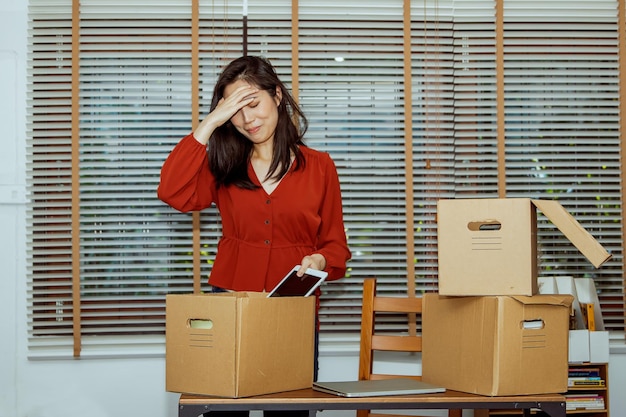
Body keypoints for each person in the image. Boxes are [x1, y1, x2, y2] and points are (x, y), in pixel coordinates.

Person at [157, 55, 351, 416]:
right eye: (235, 110)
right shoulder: (223, 166)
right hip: (231, 310)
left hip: (292, 316)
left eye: (253, 103)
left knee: (289, 412)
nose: (248, 119)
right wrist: (211, 122)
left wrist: (320, 259)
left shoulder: (321, 167)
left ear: (276, 95)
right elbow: (172, 191)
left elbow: (335, 244)